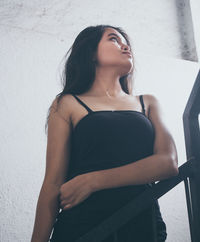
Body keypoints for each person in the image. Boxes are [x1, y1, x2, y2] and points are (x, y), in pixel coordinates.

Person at [31, 25, 179, 242]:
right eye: (113, 39)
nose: (125, 46)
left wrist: (93, 181)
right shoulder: (66, 103)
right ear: (91, 53)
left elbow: (168, 163)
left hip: (141, 224)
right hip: (82, 227)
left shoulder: (147, 102)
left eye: (125, 41)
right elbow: (52, 184)